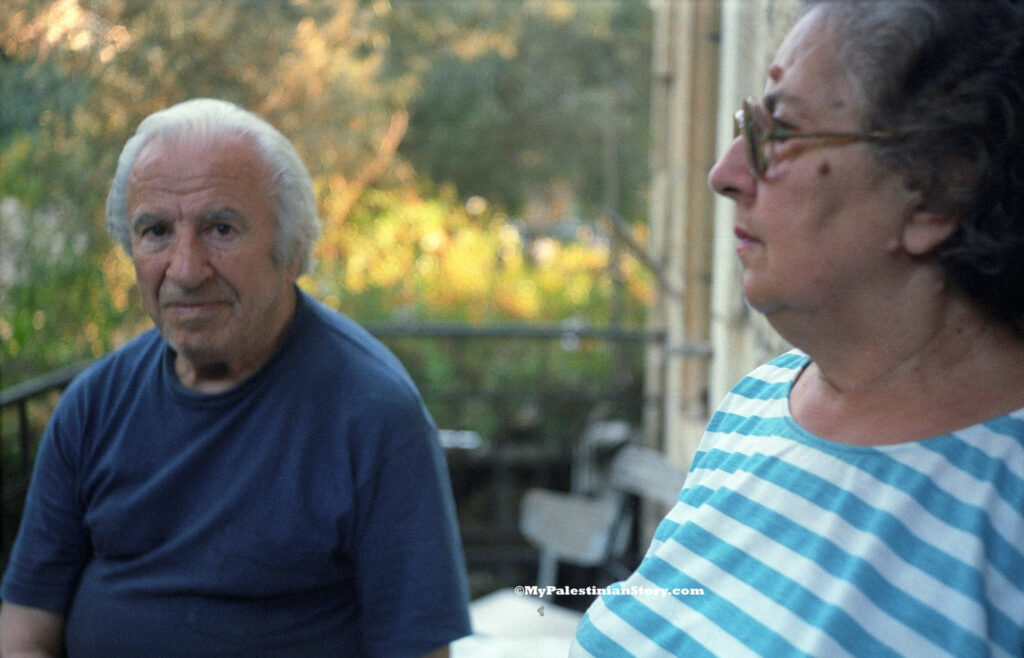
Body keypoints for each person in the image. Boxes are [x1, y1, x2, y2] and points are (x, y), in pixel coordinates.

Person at [572, 0, 1024, 655]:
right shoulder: (756, 405)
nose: (725, 174)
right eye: (748, 125)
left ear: (935, 193)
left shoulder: (1007, 501)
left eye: (779, 131)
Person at [0, 98, 472, 656]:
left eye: (220, 229)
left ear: (292, 250)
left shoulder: (372, 414)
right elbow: (24, 633)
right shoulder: (92, 408)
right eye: (155, 231)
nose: (185, 269)